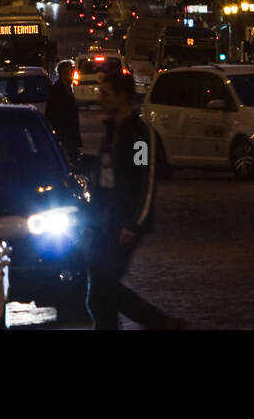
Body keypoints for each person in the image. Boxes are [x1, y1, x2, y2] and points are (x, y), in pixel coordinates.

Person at [83, 72, 180, 330]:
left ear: (122, 97)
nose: (99, 99)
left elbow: (145, 182)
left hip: (123, 224)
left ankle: (161, 323)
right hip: (104, 223)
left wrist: (133, 222)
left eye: (106, 94)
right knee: (99, 292)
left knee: (105, 287)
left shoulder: (139, 135)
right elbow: (104, 179)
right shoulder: (112, 130)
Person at [45, 60, 83, 163]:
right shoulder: (57, 91)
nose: (69, 76)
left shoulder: (67, 89)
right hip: (63, 135)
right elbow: (54, 114)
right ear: (60, 74)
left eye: (71, 73)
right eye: (66, 73)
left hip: (68, 135)